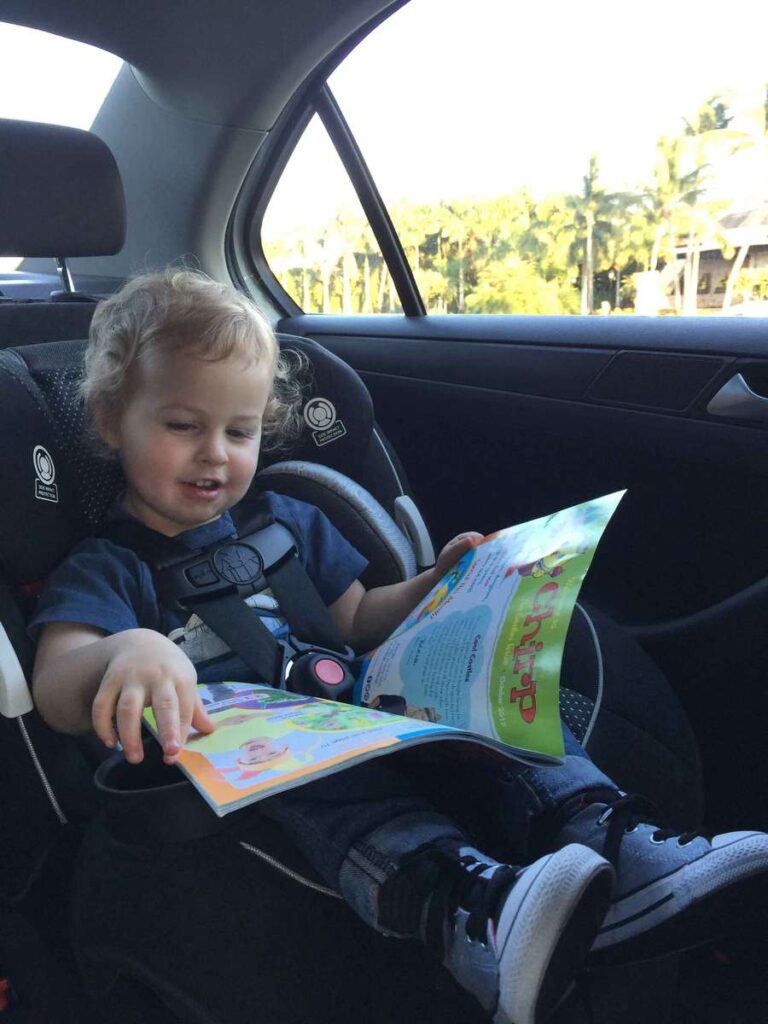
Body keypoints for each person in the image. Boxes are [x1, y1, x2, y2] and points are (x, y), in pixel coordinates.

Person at [30, 270, 768, 1024]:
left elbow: (355, 620)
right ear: (112, 419)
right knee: (331, 789)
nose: (215, 455)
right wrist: (126, 653)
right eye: (183, 427)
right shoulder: (108, 568)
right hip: (247, 753)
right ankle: (464, 908)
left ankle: (614, 837)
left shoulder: (285, 520)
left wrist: (439, 584)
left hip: (357, 703)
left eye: (240, 432)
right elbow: (57, 687)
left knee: (492, 717)